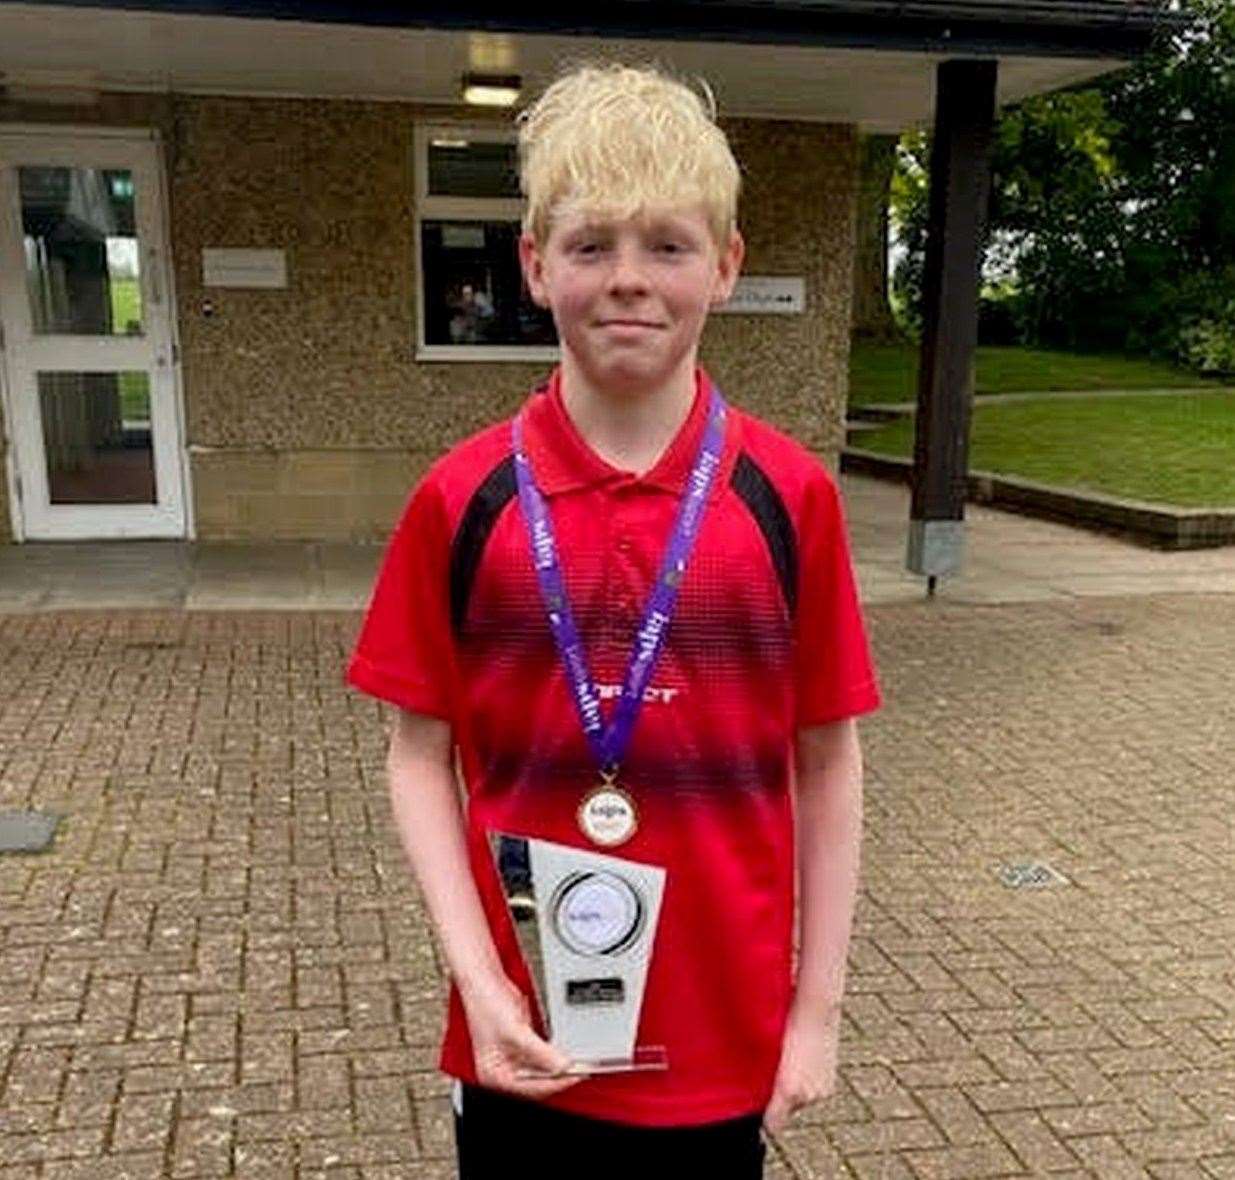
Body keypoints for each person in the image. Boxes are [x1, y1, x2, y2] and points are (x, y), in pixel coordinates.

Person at [345, 62, 881, 1179]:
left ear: (724, 267)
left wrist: (814, 1012)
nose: (627, 281)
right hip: (523, 1038)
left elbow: (828, 762)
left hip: (721, 1047)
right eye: (591, 246)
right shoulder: (462, 497)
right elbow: (415, 757)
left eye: (667, 246)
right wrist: (478, 980)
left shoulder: (787, 498)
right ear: (535, 264)